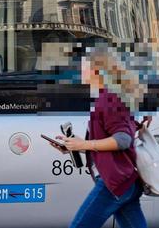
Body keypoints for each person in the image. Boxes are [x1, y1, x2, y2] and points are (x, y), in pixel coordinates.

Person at [54, 48, 148, 228]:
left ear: (96, 70)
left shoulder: (109, 98)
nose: (80, 71)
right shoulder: (110, 96)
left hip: (114, 182)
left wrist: (84, 143)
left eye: (83, 67)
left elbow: (122, 140)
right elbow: (110, 140)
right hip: (125, 181)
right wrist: (74, 146)